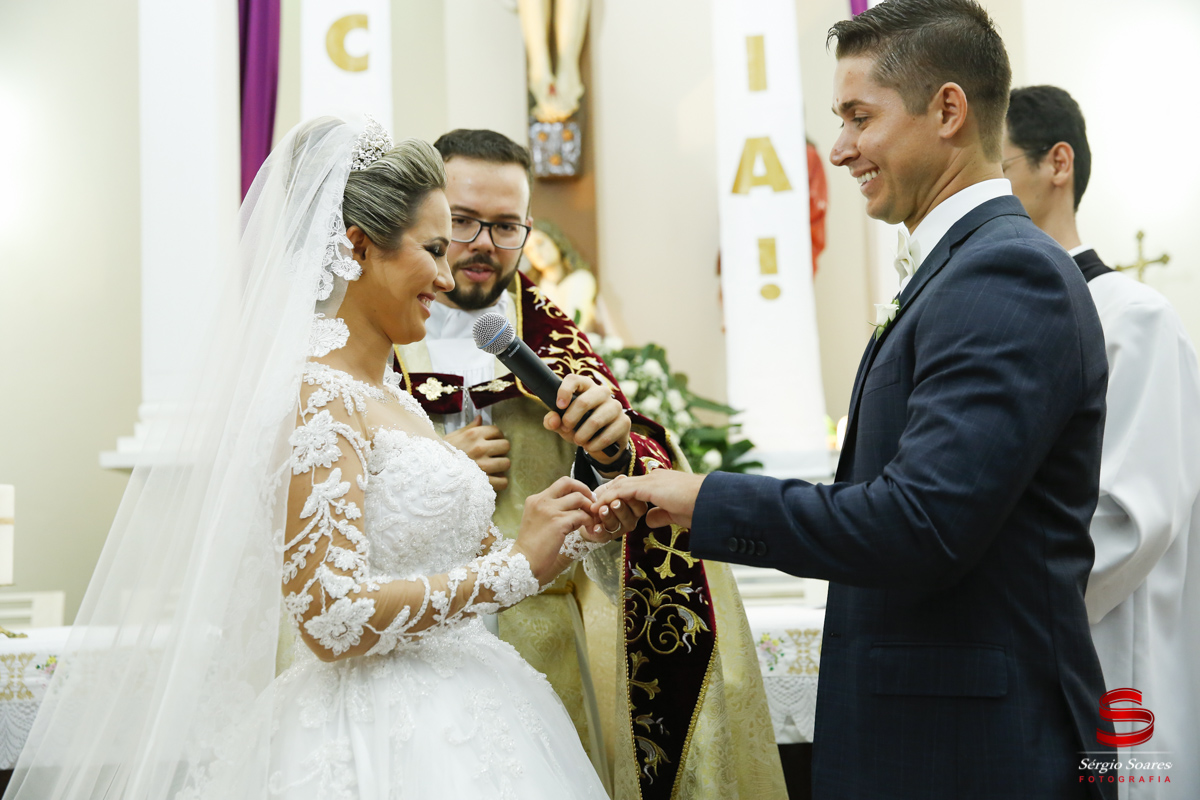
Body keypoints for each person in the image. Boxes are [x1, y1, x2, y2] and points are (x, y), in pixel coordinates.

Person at [4, 118, 621, 799]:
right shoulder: (314, 396)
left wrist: (555, 534)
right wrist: (513, 568)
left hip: (479, 716)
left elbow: (454, 565)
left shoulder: (392, 398)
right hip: (371, 739)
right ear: (357, 245)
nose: (447, 277)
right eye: (434, 249)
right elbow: (330, 617)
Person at [593, 2, 1118, 798]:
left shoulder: (1007, 275)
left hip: (976, 753)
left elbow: (921, 524)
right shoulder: (961, 266)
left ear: (947, 110)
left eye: (858, 117)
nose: (838, 149)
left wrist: (706, 498)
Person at [391, 128, 786, 800]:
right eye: (461, 221)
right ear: (424, 216)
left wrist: (611, 457)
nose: (484, 243)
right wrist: (426, 463)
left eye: (506, 225)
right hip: (399, 650)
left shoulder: (556, 351)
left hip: (537, 654)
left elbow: (627, 509)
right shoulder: (369, 337)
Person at [1005, 85, 1200, 798]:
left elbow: (1130, 517)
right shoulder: (997, 319)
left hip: (1113, 649)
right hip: (1033, 653)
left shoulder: (1134, 319)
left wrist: (998, 609)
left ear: (1058, 163)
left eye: (997, 174)